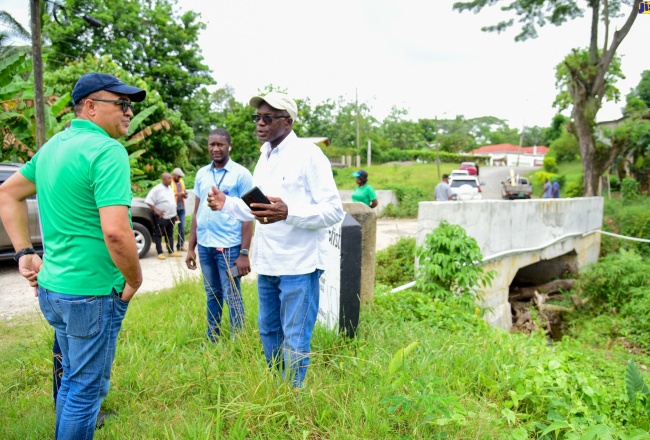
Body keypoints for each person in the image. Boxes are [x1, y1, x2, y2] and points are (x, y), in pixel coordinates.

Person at [0, 72, 144, 439]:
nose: (129, 112)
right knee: (85, 390)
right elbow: (115, 231)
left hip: (54, 291)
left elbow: (8, 194)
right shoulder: (107, 151)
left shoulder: (52, 148)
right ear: (91, 107)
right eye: (122, 104)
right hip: (91, 294)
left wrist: (24, 252)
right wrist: (134, 278)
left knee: (72, 380)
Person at [206, 92, 344, 387]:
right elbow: (258, 208)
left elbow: (334, 210)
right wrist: (226, 204)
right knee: (268, 331)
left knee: (295, 337)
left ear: (288, 121)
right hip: (268, 263)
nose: (260, 124)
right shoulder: (264, 156)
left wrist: (289, 212)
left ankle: (292, 396)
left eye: (268, 118)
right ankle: (275, 387)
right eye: (257, 117)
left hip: (299, 264)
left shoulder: (309, 155)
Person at [185, 128, 253, 341]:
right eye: (212, 144)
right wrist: (190, 247)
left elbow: (249, 215)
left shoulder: (241, 175)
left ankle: (238, 340)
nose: (215, 148)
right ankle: (212, 337)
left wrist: (244, 253)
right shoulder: (201, 174)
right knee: (212, 293)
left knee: (232, 295)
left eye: (220, 144)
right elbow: (198, 212)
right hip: (205, 247)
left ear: (229, 146)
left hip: (230, 249)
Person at [145, 173, 182, 260]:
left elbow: (171, 202)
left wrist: (175, 214)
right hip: (162, 217)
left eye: (171, 178)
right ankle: (160, 252)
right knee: (158, 234)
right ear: (164, 179)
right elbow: (148, 201)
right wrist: (156, 211)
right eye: (169, 178)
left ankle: (171, 251)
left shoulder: (170, 188)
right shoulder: (157, 189)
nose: (171, 179)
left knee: (169, 234)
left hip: (171, 216)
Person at [172, 167, 188, 251]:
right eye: (178, 177)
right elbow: (169, 195)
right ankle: (170, 247)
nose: (179, 178)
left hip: (181, 208)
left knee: (182, 227)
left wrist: (184, 195)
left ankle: (180, 245)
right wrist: (179, 194)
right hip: (173, 209)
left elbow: (184, 192)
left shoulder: (181, 182)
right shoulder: (169, 182)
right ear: (174, 175)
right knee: (170, 227)